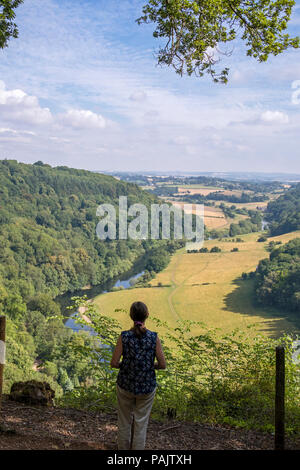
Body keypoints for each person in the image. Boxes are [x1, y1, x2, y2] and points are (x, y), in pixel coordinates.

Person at [110, 301, 166, 450]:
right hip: (146, 387)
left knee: (124, 421)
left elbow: (114, 363)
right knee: (141, 424)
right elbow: (162, 365)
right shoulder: (154, 338)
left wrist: (128, 365)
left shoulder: (124, 336)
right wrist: (148, 366)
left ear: (131, 316)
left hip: (125, 385)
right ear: (147, 315)